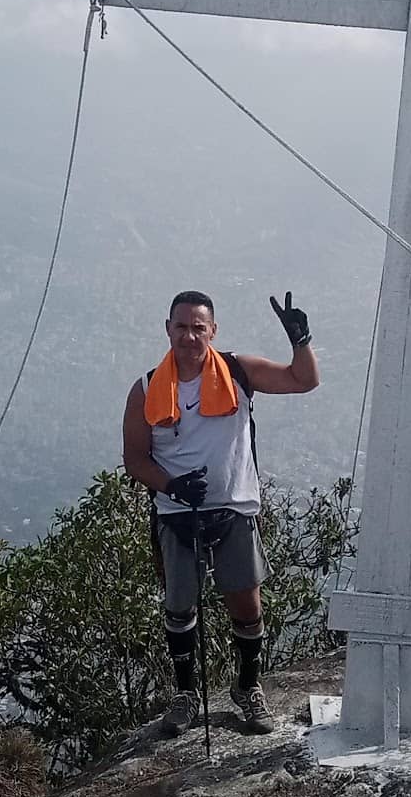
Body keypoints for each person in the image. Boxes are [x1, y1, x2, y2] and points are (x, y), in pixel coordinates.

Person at [123, 288, 319, 735]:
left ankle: (248, 687)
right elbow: (135, 458)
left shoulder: (237, 372)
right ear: (167, 329)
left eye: (198, 327)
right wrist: (172, 485)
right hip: (177, 511)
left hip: (233, 506)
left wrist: (301, 339)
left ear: (213, 330)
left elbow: (302, 380)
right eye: (181, 326)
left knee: (246, 602)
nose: (190, 336)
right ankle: (186, 693)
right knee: (179, 606)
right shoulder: (146, 388)